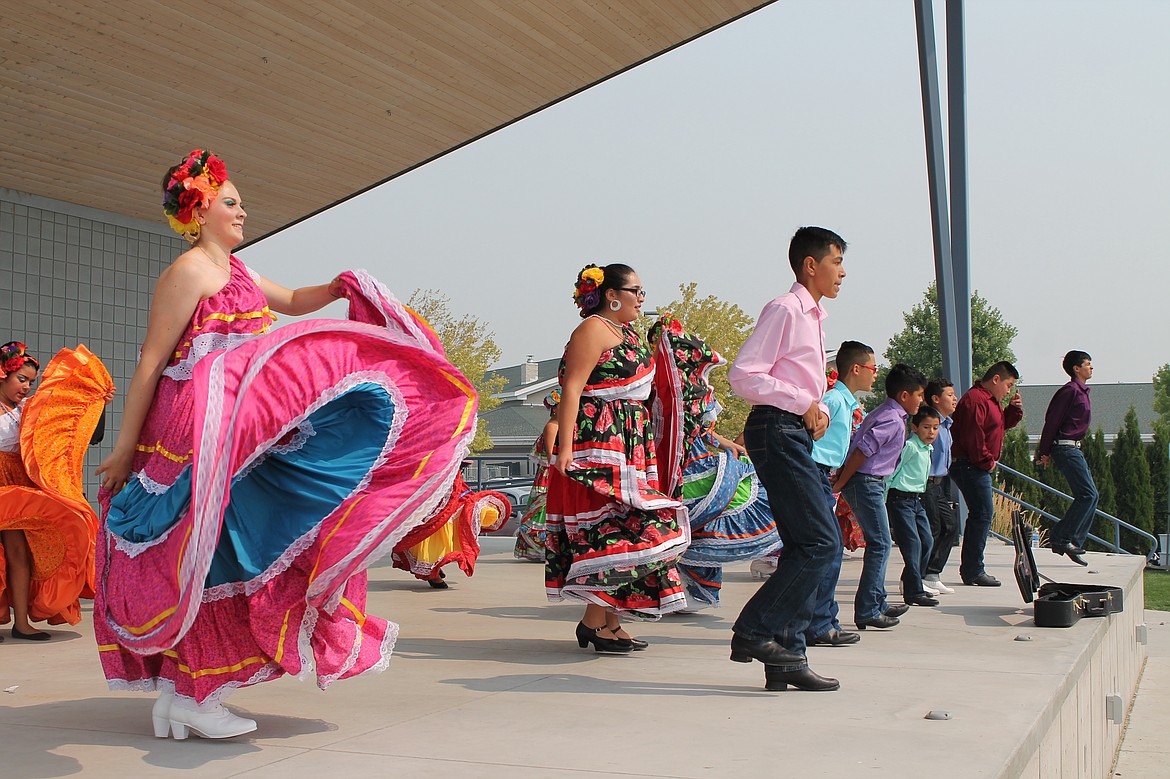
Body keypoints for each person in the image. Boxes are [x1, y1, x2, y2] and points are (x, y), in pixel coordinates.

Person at [93, 150, 479, 740]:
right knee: (203, 553)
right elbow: (152, 358)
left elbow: (294, 302)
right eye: (230, 201)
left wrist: (339, 286)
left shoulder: (239, 271)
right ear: (197, 210)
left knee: (214, 550)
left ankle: (180, 694)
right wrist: (124, 448)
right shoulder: (190, 271)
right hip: (195, 432)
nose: (242, 209)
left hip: (240, 432)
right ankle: (195, 692)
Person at [726, 226, 847, 693]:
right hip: (775, 429)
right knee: (821, 542)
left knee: (809, 545)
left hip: (792, 430)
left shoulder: (815, 317)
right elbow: (744, 375)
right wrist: (802, 401)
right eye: (836, 262)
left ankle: (787, 659)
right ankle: (755, 632)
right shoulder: (785, 309)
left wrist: (809, 411)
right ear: (810, 265)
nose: (842, 273)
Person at [545, 263, 687, 654]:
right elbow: (572, 389)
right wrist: (568, 448)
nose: (642, 298)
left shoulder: (625, 333)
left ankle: (610, 620)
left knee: (627, 523)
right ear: (613, 295)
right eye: (637, 291)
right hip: (600, 439)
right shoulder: (592, 329)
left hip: (630, 440)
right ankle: (594, 621)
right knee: (613, 528)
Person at [648, 313, 782, 610]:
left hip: (691, 461)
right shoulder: (654, 393)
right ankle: (667, 592)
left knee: (699, 526)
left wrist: (734, 446)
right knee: (686, 528)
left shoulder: (688, 396)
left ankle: (682, 591)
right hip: (673, 467)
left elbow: (705, 432)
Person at [0, 342, 112, 641]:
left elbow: (85, 431)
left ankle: (21, 623)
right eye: (21, 379)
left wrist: (97, 403)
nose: (25, 387)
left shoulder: (28, 410)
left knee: (19, 555)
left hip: (19, 486)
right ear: (3, 375)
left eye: (31, 382)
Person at [832, 363, 925, 629]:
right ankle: (868, 609)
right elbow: (862, 451)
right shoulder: (890, 419)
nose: (921, 400)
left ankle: (877, 600)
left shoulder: (889, 413)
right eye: (918, 395)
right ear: (904, 396)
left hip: (871, 482)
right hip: (866, 482)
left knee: (880, 543)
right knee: (881, 543)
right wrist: (842, 482)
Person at [804, 340, 877, 646]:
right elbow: (812, 428)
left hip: (825, 476)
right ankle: (820, 622)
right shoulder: (833, 400)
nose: (875, 375)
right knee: (829, 549)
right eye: (873, 368)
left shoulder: (846, 403)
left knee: (828, 549)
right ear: (856, 369)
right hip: (816, 474)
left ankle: (824, 618)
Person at [949, 362, 1024, 586]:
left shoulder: (989, 401)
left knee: (980, 513)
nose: (1008, 390)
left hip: (974, 464)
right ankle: (973, 569)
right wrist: (986, 461)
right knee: (982, 513)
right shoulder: (976, 400)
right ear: (996, 379)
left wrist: (1013, 411)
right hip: (970, 464)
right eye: (1008, 385)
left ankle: (973, 568)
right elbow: (974, 435)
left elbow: (998, 426)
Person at [390, 473, 511, 588]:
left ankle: (433, 565)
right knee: (433, 522)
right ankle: (431, 567)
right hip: (433, 480)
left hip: (449, 479)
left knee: (453, 516)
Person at [1035, 351, 1097, 566]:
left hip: (1074, 448)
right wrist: (1044, 451)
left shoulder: (1083, 391)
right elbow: (1052, 421)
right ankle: (1062, 538)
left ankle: (1072, 541)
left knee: (1091, 496)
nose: (1091, 367)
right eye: (1087, 364)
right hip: (1065, 448)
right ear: (1076, 368)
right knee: (1088, 495)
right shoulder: (1069, 391)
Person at [885, 405, 941, 606]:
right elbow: (893, 471)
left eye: (935, 428)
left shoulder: (928, 448)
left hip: (916, 500)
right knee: (913, 544)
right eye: (926, 427)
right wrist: (884, 498)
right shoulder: (910, 446)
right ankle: (914, 591)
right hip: (900, 499)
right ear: (915, 427)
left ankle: (912, 582)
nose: (931, 432)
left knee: (926, 540)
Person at [922, 378, 959, 594]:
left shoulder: (946, 425)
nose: (954, 399)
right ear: (936, 399)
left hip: (940, 484)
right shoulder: (930, 425)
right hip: (925, 483)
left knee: (950, 526)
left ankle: (932, 573)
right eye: (949, 395)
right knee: (932, 529)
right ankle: (917, 576)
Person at [513, 390, 560, 562]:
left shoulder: (565, 426)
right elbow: (550, 455)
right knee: (545, 509)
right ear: (555, 408)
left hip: (558, 471)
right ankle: (542, 547)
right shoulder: (552, 426)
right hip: (550, 473)